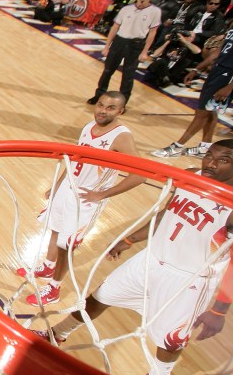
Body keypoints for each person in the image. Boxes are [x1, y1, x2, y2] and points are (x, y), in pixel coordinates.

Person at [33, 139, 233, 375]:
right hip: (152, 258)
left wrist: (219, 311)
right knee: (100, 296)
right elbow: (167, 212)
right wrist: (131, 239)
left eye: (223, 160)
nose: (210, 163)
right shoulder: (190, 176)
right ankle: (57, 333)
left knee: (171, 337)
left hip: (189, 277)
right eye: (209, 155)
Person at [18, 92, 145, 306]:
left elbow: (140, 175)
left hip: (87, 198)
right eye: (100, 105)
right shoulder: (89, 127)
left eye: (110, 108)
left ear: (120, 111)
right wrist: (56, 187)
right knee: (55, 230)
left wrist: (103, 194)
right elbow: (73, 159)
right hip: (68, 189)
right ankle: (48, 265)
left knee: (67, 246)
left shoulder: (121, 136)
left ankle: (54, 289)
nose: (103, 110)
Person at [152, 14, 233, 158]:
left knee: (202, 112)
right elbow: (220, 50)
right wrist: (197, 69)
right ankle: (204, 147)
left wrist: (231, 87)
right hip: (217, 70)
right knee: (211, 112)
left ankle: (177, 147)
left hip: (229, 75)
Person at [88, 0, 161, 104]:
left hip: (136, 44)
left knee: (128, 75)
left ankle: (122, 103)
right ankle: (99, 96)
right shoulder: (126, 9)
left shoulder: (155, 11)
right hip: (119, 41)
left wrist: (144, 51)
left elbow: (153, 32)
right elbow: (115, 27)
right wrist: (107, 46)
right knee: (107, 71)